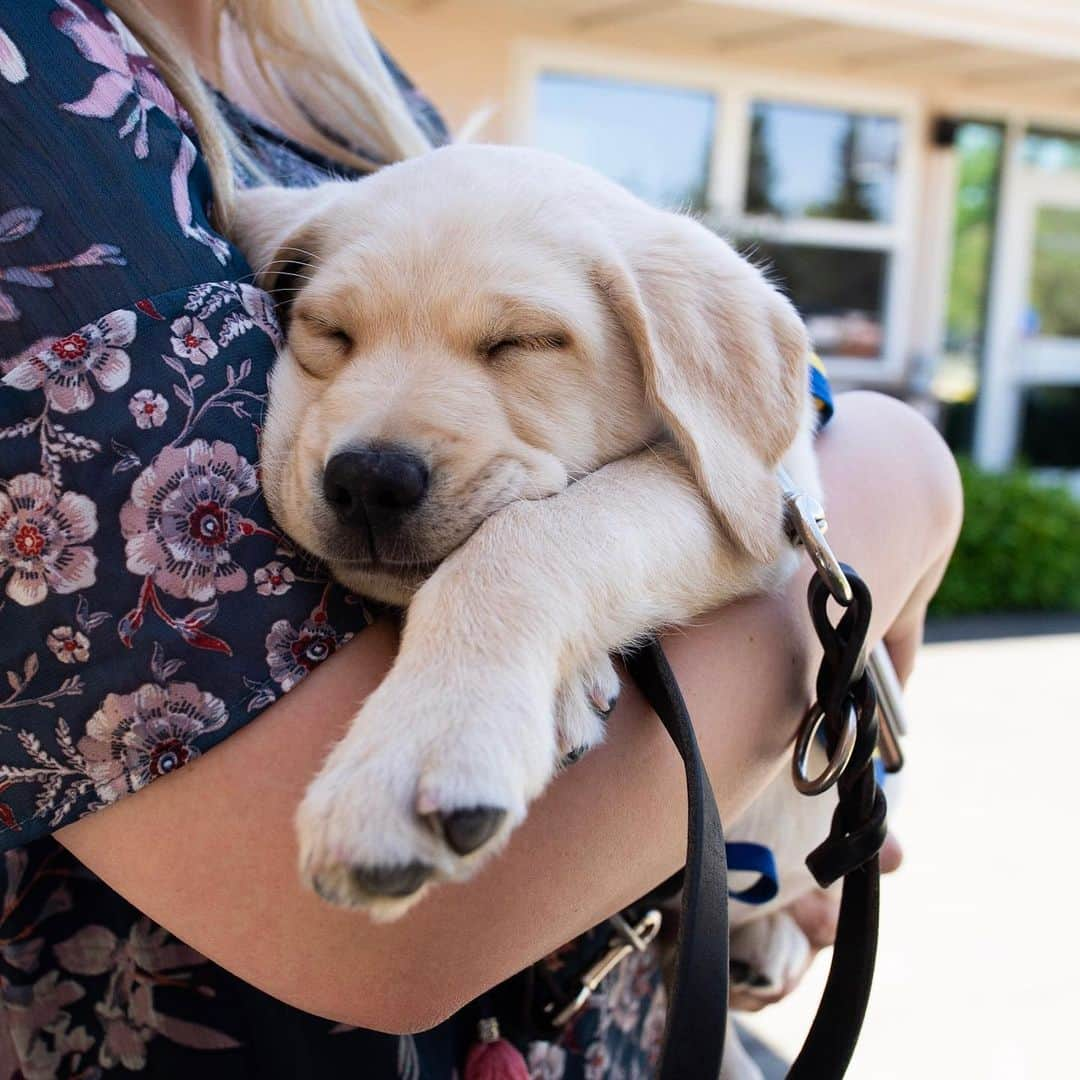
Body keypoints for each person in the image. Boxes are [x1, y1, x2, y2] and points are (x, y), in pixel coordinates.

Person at [0, 1, 961, 1076]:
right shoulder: (36, 92)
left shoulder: (333, 71)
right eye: (330, 333)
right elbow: (799, 525)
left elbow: (751, 494)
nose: (377, 449)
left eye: (513, 343)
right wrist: (904, 473)